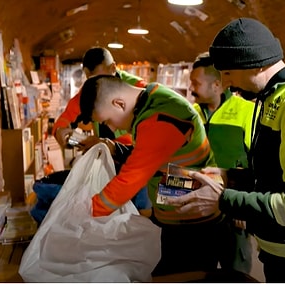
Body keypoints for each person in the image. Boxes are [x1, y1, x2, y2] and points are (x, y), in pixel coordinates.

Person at [166, 18, 285, 282]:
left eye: (229, 73)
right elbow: (276, 174)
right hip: (284, 258)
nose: (226, 83)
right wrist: (228, 176)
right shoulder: (274, 96)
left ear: (252, 63)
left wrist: (223, 200)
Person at [78, 74, 231, 276]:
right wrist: (114, 148)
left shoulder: (160, 119)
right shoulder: (152, 96)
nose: (113, 128)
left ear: (119, 103)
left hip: (192, 225)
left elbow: (130, 180)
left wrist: (83, 215)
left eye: (108, 121)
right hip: (178, 215)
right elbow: (154, 156)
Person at [52, 46, 151, 215]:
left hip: (138, 163)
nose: (95, 86)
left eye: (98, 78)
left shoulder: (139, 88)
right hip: (109, 162)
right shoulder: (90, 90)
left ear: (113, 68)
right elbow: (65, 119)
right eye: (89, 79)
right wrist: (62, 132)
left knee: (141, 212)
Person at [189, 52, 255, 275]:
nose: (191, 89)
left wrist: (244, 205)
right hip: (198, 207)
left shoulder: (246, 111)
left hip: (232, 209)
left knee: (235, 271)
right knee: (197, 270)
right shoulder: (191, 114)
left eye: (196, 83)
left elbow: (256, 163)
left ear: (216, 85)